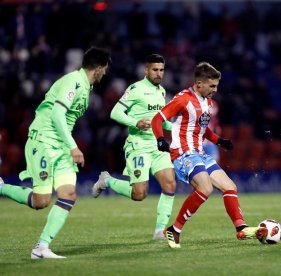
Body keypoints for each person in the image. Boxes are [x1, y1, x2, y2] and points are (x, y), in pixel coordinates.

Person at [0, 46, 111, 258]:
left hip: (60, 144)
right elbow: (57, 116)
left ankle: (41, 247)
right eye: (104, 69)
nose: (105, 73)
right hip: (43, 140)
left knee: (68, 194)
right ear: (98, 68)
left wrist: (67, 145)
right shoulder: (74, 81)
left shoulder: (86, 87)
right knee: (41, 201)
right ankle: (2, 188)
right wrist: (74, 146)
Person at [151, 62, 266, 249]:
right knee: (205, 188)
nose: (215, 89)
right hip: (183, 153)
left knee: (230, 186)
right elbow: (158, 118)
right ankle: (175, 229)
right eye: (211, 86)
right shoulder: (183, 99)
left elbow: (201, 129)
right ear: (198, 84)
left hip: (200, 153)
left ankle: (241, 228)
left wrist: (219, 141)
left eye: (216, 86)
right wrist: (160, 139)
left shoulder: (208, 102)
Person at [91, 54, 176, 240]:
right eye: (155, 70)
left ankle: (160, 231)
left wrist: (175, 127)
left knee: (170, 184)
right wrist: (135, 122)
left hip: (157, 145)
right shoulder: (135, 89)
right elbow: (115, 112)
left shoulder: (162, 91)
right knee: (139, 194)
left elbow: (159, 121)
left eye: (161, 70)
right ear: (146, 70)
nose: (159, 73)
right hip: (138, 146)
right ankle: (107, 181)